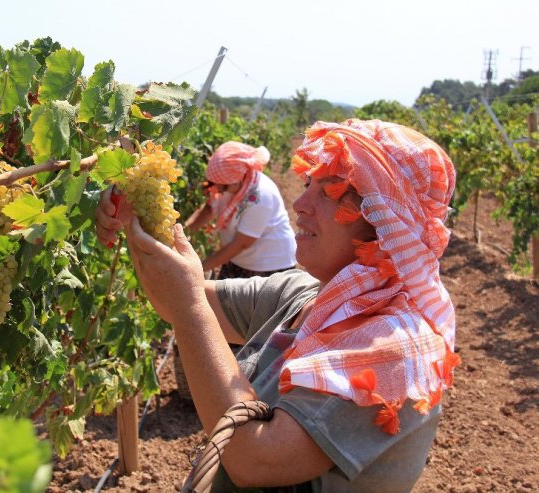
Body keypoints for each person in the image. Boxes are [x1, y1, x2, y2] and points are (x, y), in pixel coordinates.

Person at [95, 119, 459, 492]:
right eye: (307, 185)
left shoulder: (392, 347)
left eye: (329, 192)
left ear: (386, 220)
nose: (300, 204)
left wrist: (189, 306)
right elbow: (175, 300)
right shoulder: (303, 294)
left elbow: (253, 459)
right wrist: (140, 220)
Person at [184, 141, 297, 279]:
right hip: (238, 257)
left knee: (245, 299)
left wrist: (198, 269)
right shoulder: (224, 183)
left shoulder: (260, 196)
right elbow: (208, 209)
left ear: (238, 179)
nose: (218, 190)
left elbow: (241, 243)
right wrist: (184, 234)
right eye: (215, 184)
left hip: (269, 265)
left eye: (223, 187)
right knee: (223, 297)